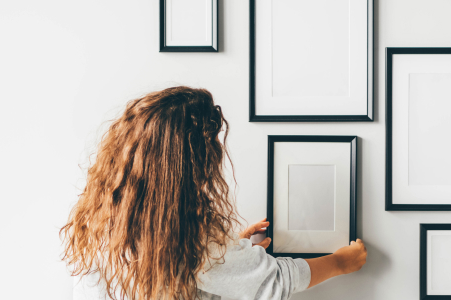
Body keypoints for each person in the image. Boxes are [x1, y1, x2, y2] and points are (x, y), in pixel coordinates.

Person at [61, 86, 367, 300]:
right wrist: (342, 261)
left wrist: (230, 250)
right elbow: (274, 281)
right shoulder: (189, 239)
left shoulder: (102, 219)